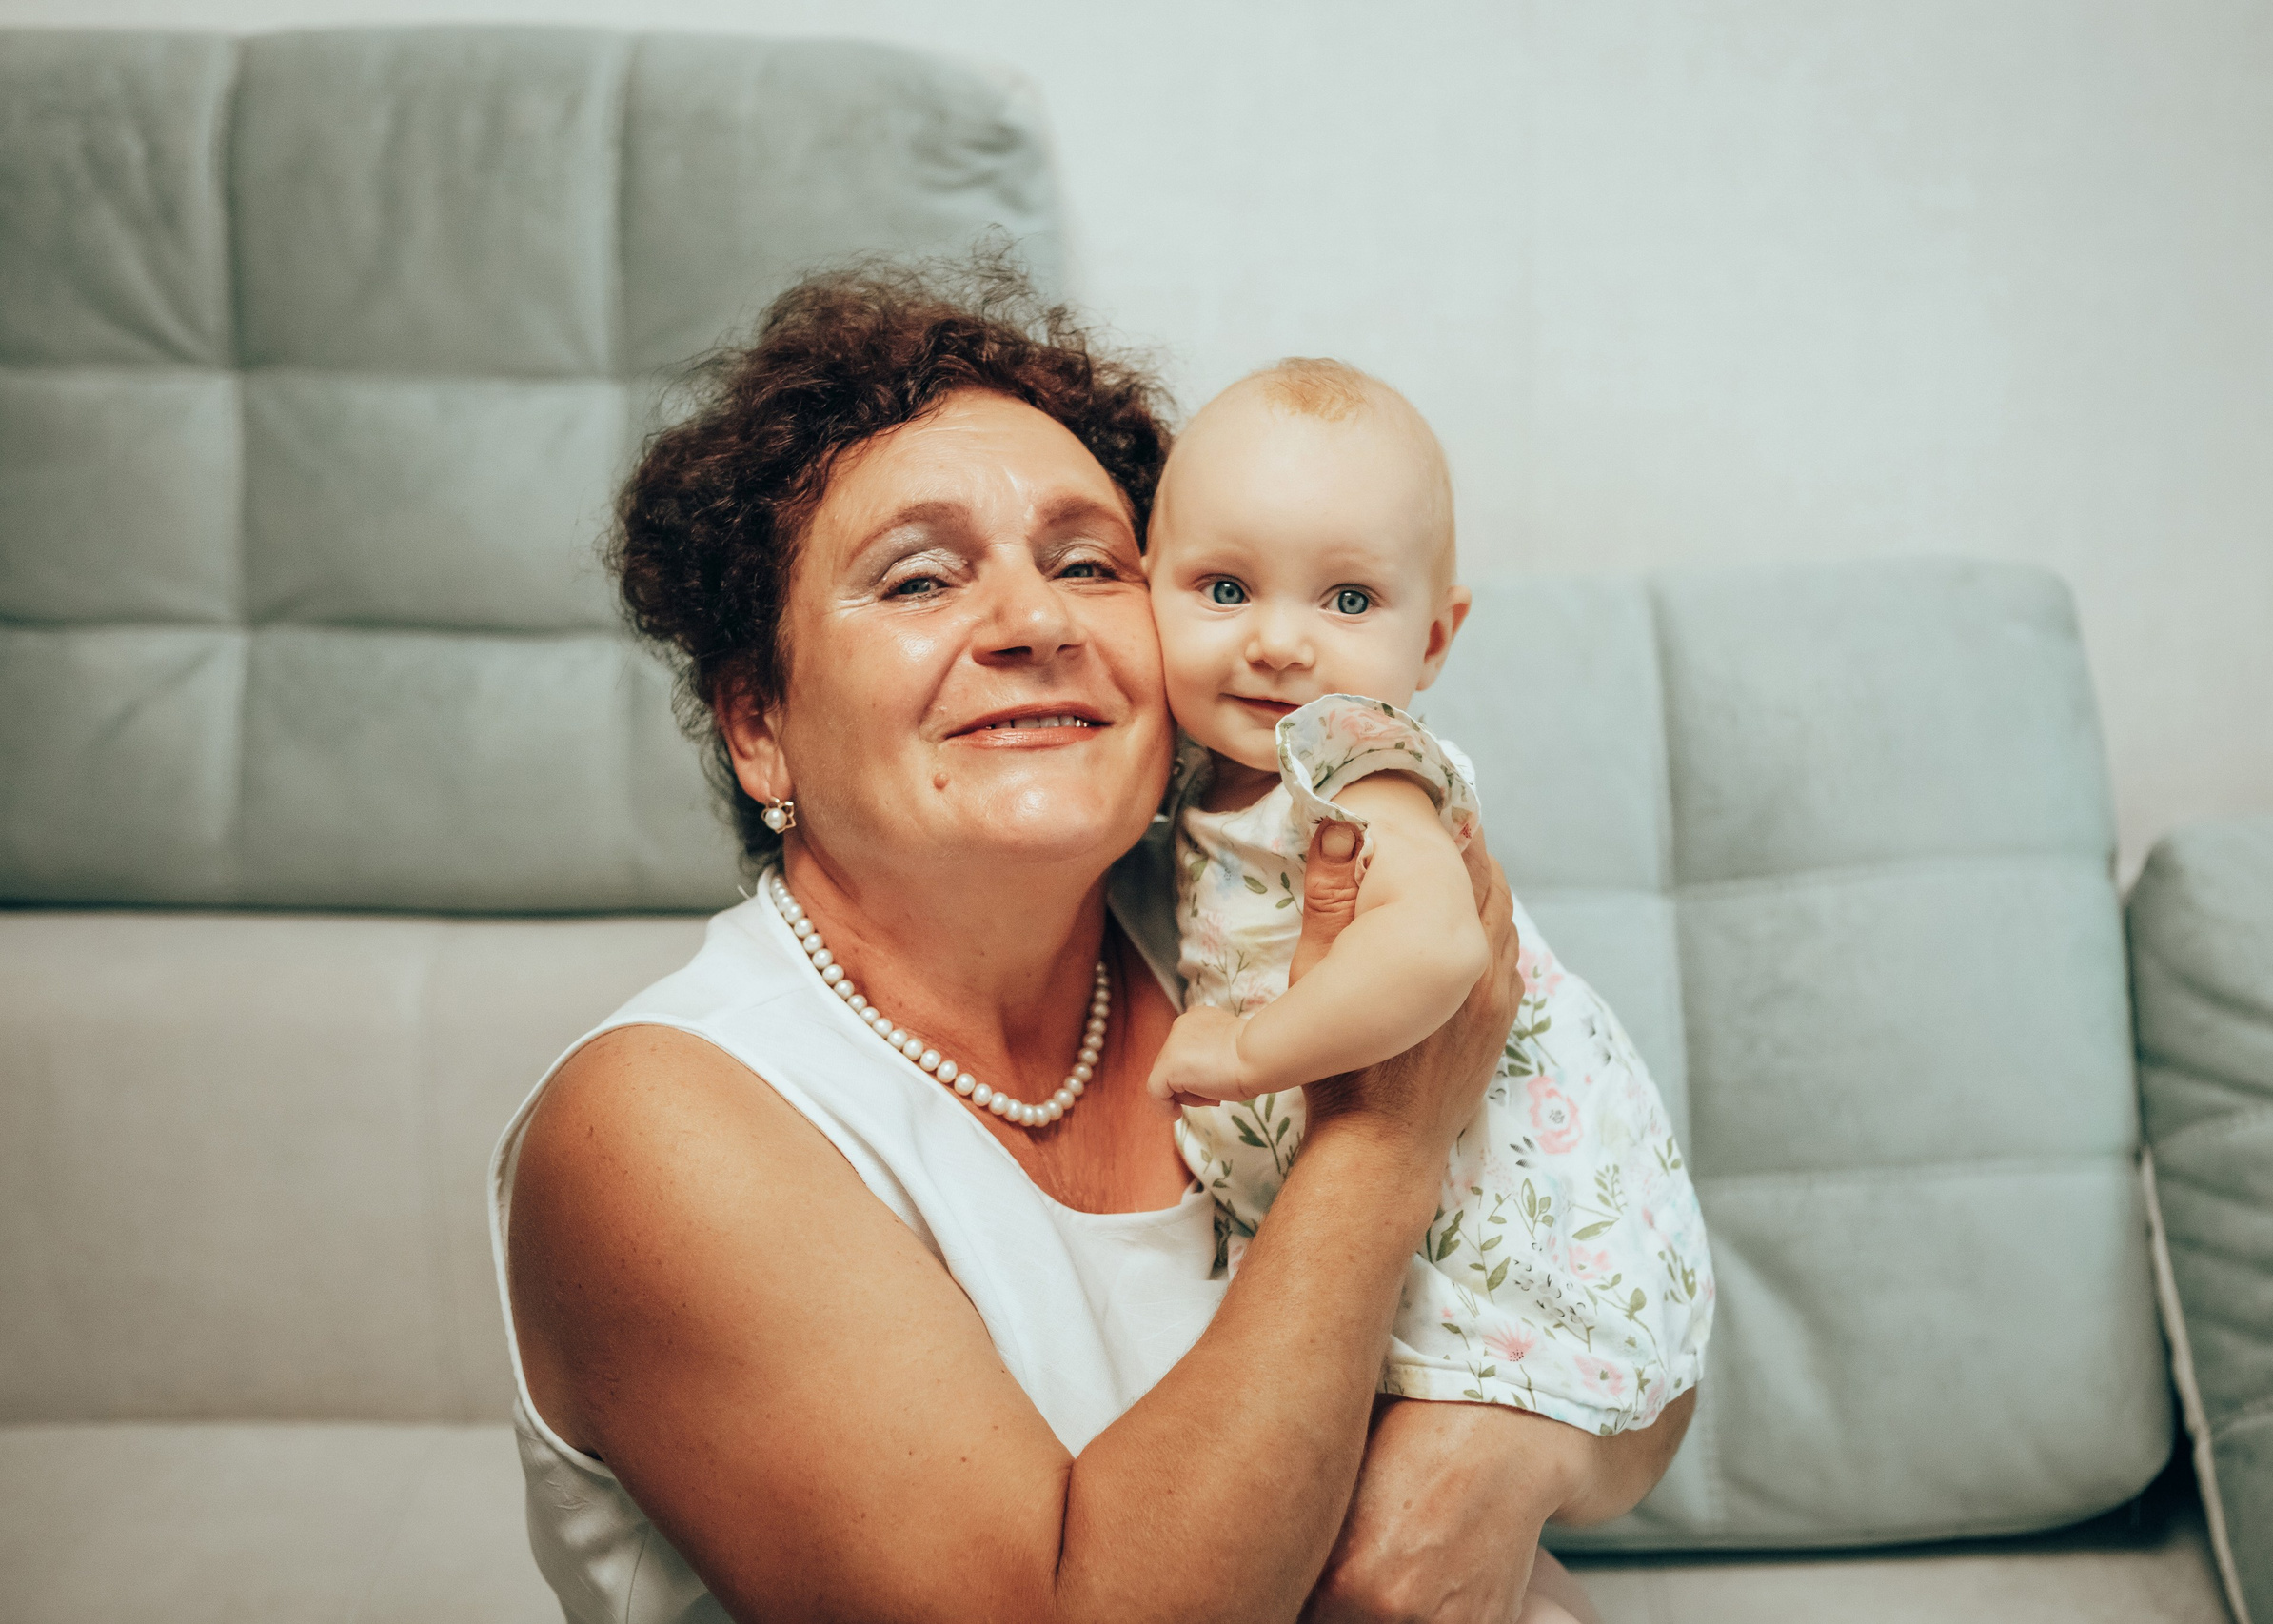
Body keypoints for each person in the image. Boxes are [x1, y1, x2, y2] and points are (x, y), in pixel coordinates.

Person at [489, 261, 1694, 1624]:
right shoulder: (662, 1124)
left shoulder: (1252, 920)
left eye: (1087, 563)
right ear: (759, 721)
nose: (1037, 620)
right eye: (920, 579)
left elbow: (1632, 1339)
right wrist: (1385, 1140)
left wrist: (1503, 1451)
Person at [1142, 359, 1713, 1442]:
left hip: (1483, 1217)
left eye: (1347, 598)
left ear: (1434, 640)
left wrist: (1247, 1051)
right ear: (1145, 583)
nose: (1276, 640)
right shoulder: (1199, 773)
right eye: (1224, 589)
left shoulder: (1351, 751)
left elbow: (1436, 947)